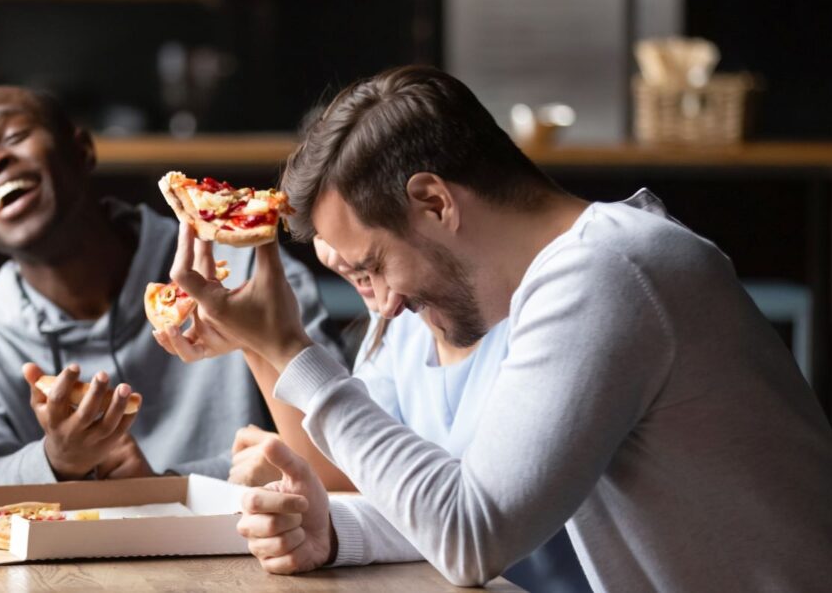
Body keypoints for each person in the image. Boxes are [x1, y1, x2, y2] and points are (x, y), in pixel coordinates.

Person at [157, 65, 832, 591]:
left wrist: (290, 350)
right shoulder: (563, 282)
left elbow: (471, 536)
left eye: (375, 266)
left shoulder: (609, 269)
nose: (386, 307)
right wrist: (333, 532)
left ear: (433, 202)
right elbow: (456, 495)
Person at [0, 85, 338, 484]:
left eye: (14, 136)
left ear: (82, 151)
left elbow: (337, 432)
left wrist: (169, 483)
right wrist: (57, 459)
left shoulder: (239, 270)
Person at [230, 238, 589, 593]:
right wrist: (332, 531)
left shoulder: (549, 312)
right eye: (320, 234)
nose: (337, 257)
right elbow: (377, 484)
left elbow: (467, 526)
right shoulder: (397, 320)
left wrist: (274, 346)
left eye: (350, 229)